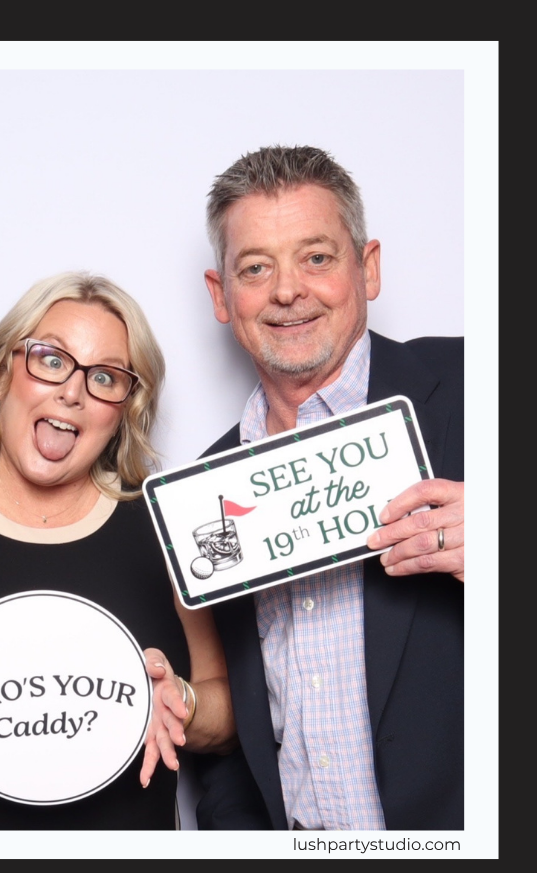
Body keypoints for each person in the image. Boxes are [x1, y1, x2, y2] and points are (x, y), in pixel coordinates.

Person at [149, 145, 463, 831]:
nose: (287, 290)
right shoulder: (202, 494)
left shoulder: (480, 387)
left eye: (316, 257)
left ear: (368, 267)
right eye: (255, 267)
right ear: (221, 295)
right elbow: (241, 733)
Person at [0, 271, 229, 829]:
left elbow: (226, 715)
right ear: (5, 372)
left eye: (105, 376)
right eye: (51, 359)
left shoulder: (165, 523)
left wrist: (183, 703)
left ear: (124, 407)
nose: (72, 392)